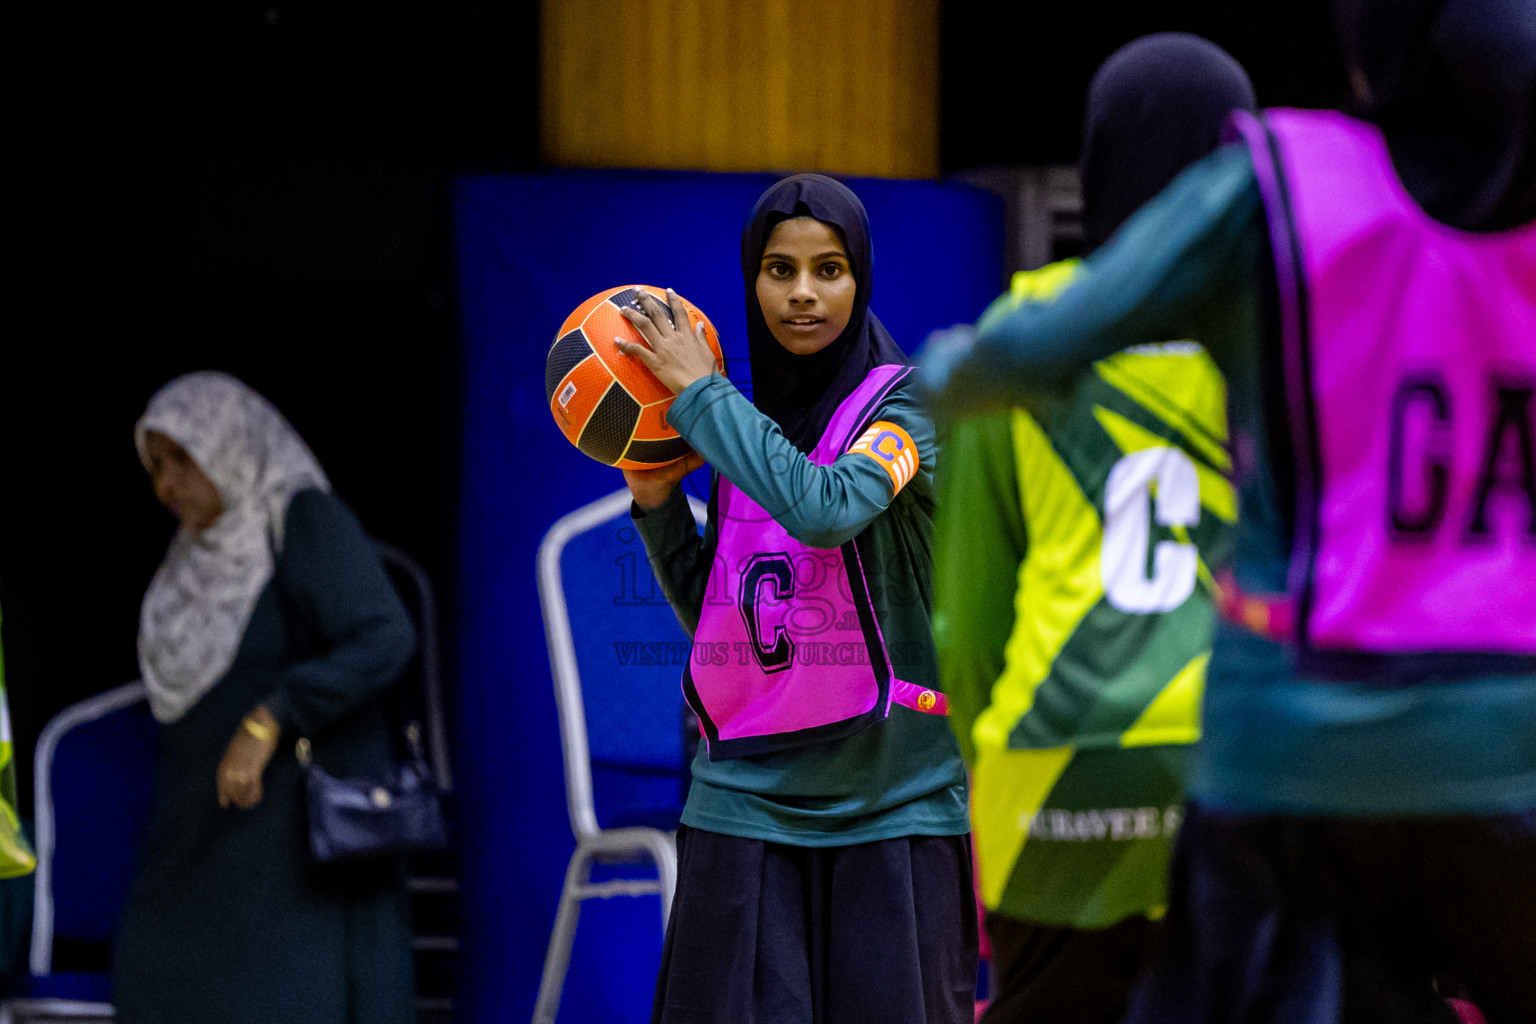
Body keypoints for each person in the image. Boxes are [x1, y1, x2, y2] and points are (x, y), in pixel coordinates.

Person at [918, 0, 1536, 1021]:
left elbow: (969, 626)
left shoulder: (1280, 210)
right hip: (1471, 741)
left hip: (1212, 750)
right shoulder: (1354, 296)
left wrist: (938, 373)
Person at [933, 33, 1252, 1024]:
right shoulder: (1281, 338)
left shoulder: (1024, 333)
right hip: (1236, 757)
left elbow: (969, 625)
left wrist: (990, 775)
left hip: (1054, 759)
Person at [615, 173, 976, 1024]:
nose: (804, 293)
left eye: (830, 268)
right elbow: (728, 622)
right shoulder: (747, 422)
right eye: (779, 270)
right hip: (743, 804)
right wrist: (658, 502)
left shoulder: (908, 407)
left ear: (861, 280)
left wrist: (704, 397)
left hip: (891, 806)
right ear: (752, 282)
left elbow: (827, 509)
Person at [112, 371, 418, 1024]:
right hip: (206, 844)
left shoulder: (298, 516)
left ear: (229, 444)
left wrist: (270, 716)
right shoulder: (190, 561)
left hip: (292, 853)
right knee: (157, 980)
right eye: (156, 466)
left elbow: (384, 636)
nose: (168, 484)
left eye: (182, 459)